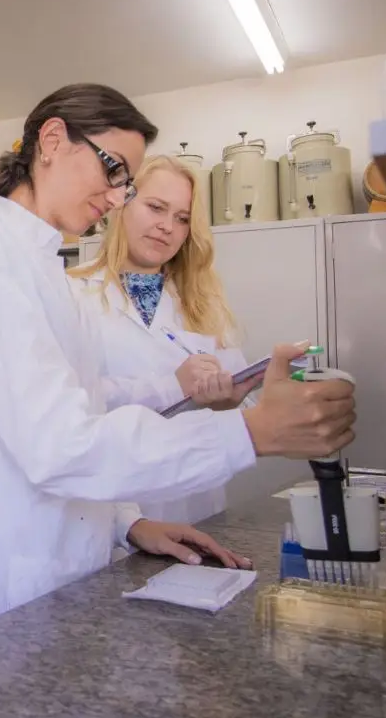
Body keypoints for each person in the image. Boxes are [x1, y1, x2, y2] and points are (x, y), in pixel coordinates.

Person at [0, 83, 356, 659]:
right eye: (114, 173)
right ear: (53, 140)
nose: (115, 199)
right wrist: (249, 432)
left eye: (125, 185)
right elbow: (59, 445)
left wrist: (128, 524)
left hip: (46, 575)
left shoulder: (40, 268)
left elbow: (88, 403)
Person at [69, 154, 255, 525]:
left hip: (196, 500)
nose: (166, 226)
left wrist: (229, 400)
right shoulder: (72, 292)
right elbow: (69, 399)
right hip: (114, 506)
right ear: (122, 202)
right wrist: (171, 386)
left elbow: (247, 397)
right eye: (156, 207)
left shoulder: (203, 304)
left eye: (181, 218)